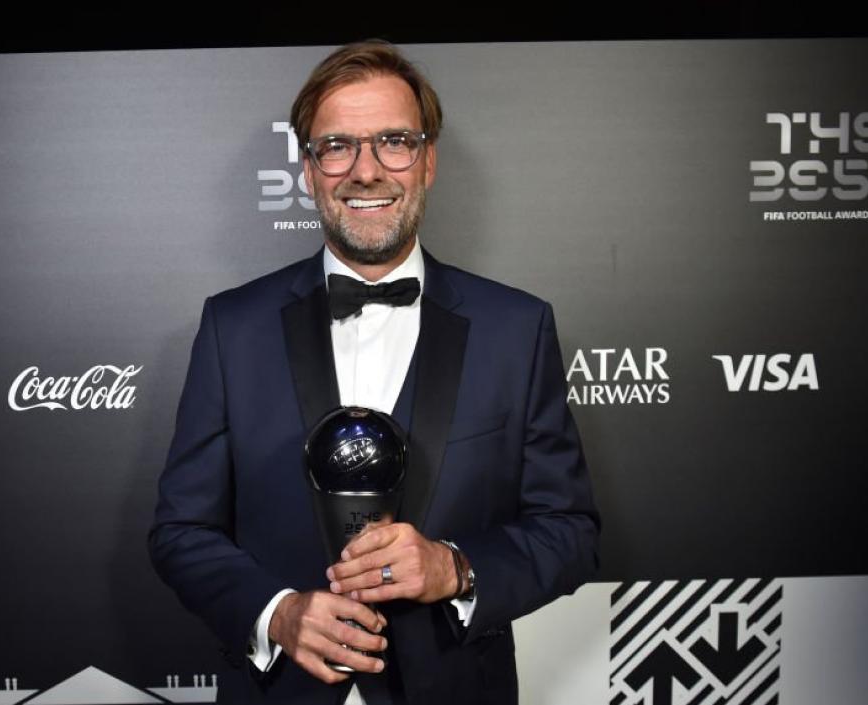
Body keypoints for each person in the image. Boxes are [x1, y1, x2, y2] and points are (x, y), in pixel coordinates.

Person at [149, 40, 600, 705]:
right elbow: (180, 531)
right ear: (309, 169)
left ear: (428, 160)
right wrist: (276, 613)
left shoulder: (517, 328)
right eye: (338, 146)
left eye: (394, 142)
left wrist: (455, 566)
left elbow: (570, 530)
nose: (366, 171)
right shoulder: (231, 327)